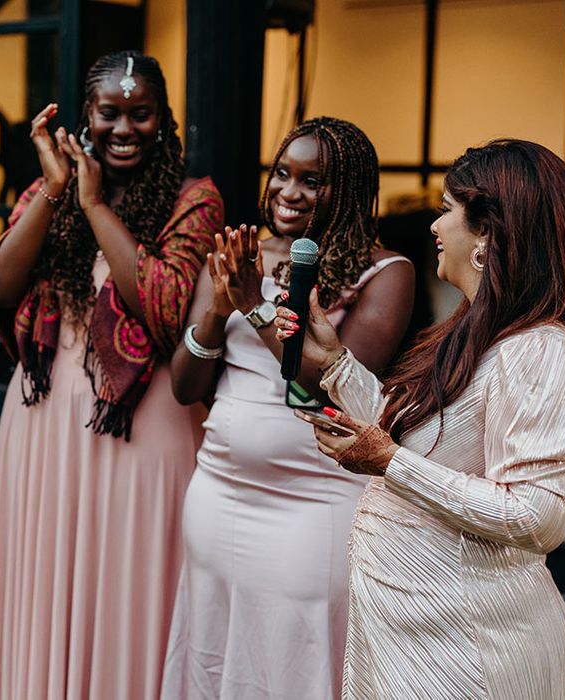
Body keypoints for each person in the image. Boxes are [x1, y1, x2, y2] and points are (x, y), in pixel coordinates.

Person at [276, 138, 565, 699]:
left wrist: (387, 461)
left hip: (467, 648)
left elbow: (537, 517)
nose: (435, 225)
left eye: (447, 209)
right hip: (410, 633)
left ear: (487, 232)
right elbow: (420, 441)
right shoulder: (472, 333)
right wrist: (333, 360)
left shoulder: (538, 352)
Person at [0, 51, 223, 699]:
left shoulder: (192, 199)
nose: (124, 128)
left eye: (140, 114)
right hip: (45, 418)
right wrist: (59, 192)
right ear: (86, 115)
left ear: (162, 117)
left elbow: (166, 306)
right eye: (109, 112)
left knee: (128, 585)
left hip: (143, 427)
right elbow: (2, 286)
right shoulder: (48, 189)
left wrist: (92, 206)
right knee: (47, 583)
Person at [162, 117, 415, 698]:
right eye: (283, 173)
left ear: (348, 190)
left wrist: (253, 306)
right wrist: (217, 307)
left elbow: (333, 383)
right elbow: (183, 384)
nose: (289, 191)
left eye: (312, 180)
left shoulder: (387, 273)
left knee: (295, 656)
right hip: (220, 487)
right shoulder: (239, 253)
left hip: (315, 497)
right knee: (212, 647)